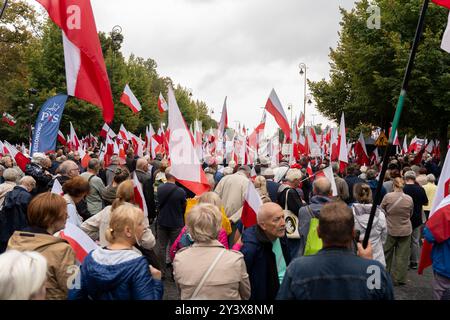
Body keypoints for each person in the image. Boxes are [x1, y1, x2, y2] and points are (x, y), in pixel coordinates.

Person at [277, 201, 394, 300]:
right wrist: (369, 264)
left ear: (318, 232)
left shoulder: (297, 269)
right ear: (353, 233)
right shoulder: (374, 270)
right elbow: (376, 294)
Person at [69, 205, 163, 300]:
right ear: (128, 231)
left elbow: (74, 292)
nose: (143, 227)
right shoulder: (138, 264)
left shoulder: (90, 258)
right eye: (140, 223)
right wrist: (156, 282)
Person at [173, 203, 250, 300]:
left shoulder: (180, 259)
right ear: (218, 227)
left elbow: (180, 290)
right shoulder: (235, 260)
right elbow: (246, 294)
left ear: (190, 229)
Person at [7, 193, 76, 300]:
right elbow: (74, 287)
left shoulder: (15, 240)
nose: (67, 216)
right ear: (51, 218)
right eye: (64, 213)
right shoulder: (63, 249)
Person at [81, 180, 155, 253]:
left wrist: (103, 234)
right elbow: (149, 243)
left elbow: (85, 228)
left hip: (105, 255)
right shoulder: (137, 214)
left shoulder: (107, 210)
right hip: (128, 258)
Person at [240, 202, 291, 300]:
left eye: (283, 217)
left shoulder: (281, 235)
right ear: (263, 225)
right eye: (276, 220)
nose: (283, 223)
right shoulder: (251, 248)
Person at [171, 192, 231, 260]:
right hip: (210, 264)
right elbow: (224, 254)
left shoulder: (187, 228)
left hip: (188, 262)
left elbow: (174, 249)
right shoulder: (220, 231)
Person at [381, 177, 414, 285]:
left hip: (390, 228)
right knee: (402, 256)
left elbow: (381, 210)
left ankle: (384, 275)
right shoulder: (409, 198)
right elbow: (411, 213)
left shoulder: (388, 196)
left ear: (393, 185)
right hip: (405, 229)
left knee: (386, 254)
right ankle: (399, 279)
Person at [156, 167, 187, 279]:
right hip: (176, 222)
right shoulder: (180, 191)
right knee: (175, 248)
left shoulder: (160, 188)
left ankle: (162, 272)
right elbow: (184, 207)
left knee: (161, 247)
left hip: (162, 220)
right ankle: (174, 272)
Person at [351, 183, 387, 266]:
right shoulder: (380, 214)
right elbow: (384, 236)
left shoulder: (349, 214)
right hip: (376, 258)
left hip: (356, 257)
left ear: (355, 195)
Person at [297, 177, 333, 257]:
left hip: (308, 256)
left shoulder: (303, 211)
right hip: (332, 255)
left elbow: (302, 234)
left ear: (314, 191)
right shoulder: (341, 211)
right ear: (331, 192)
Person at [0, 176, 36, 253]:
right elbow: (31, 215)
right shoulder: (27, 196)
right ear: (30, 185)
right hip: (21, 230)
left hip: (5, 228)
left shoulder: (9, 193)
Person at [403, 170, 428, 270]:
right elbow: (425, 203)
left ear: (405, 178)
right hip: (417, 218)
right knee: (415, 241)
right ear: (414, 178)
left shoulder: (403, 189)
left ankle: (404, 261)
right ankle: (414, 261)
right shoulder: (420, 189)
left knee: (405, 241)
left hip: (405, 217)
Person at [277, 169, 304, 257]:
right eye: (299, 180)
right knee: (294, 252)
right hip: (292, 225)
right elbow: (299, 210)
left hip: (284, 223)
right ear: (295, 180)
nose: (300, 182)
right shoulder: (291, 192)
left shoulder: (281, 188)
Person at [134, 158, 156, 223]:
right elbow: (149, 197)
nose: (148, 167)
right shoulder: (147, 178)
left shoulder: (131, 174)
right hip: (143, 208)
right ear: (144, 167)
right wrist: (151, 214)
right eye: (147, 165)